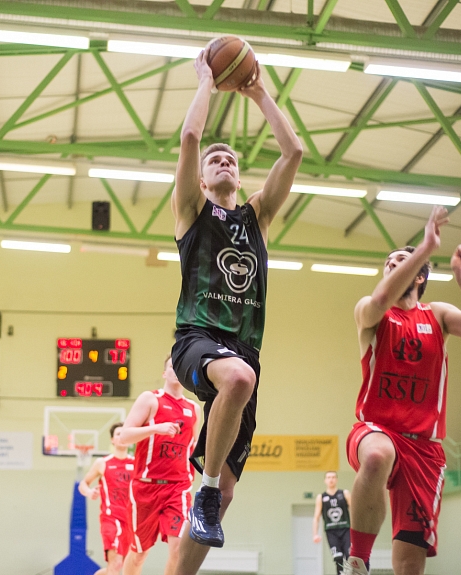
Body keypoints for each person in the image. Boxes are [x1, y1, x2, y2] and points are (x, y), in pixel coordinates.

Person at [170, 46, 302, 574]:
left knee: (221, 502)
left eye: (232, 160)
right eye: (214, 162)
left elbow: (292, 153)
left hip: (243, 353)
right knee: (239, 379)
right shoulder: (191, 211)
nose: (223, 162)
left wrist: (258, 92)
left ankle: (195, 530)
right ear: (202, 181)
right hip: (197, 341)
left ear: (240, 179)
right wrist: (207, 79)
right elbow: (189, 139)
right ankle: (202, 491)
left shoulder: (258, 217)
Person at [344, 206, 461, 575]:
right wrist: (424, 248)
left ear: (421, 277)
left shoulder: (437, 314)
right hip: (375, 429)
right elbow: (379, 301)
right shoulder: (370, 311)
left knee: (410, 564)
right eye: (389, 262)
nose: (393, 264)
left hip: (423, 447)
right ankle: (357, 560)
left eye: (402, 260)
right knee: (377, 456)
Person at [118, 355, 200, 575]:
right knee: (138, 554)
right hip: (145, 487)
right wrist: (156, 428)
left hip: (177, 488)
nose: (176, 370)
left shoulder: (194, 409)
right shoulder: (150, 399)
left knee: (178, 548)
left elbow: (192, 448)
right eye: (172, 367)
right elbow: (124, 436)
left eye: (180, 367)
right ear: (165, 373)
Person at [78, 423, 134, 575]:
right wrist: (89, 492)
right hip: (110, 518)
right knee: (115, 563)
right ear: (112, 440)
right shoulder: (102, 463)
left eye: (125, 434)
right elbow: (83, 484)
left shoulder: (136, 463)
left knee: (118, 567)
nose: (121, 437)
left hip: (130, 520)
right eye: (118, 434)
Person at [313, 471, 351, 575]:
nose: (331, 479)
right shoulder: (321, 497)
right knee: (338, 557)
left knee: (350, 556)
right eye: (329, 477)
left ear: (337, 479)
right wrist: (315, 534)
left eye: (333, 477)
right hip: (331, 531)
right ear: (325, 480)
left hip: (345, 529)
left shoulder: (344, 493)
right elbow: (316, 517)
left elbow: (355, 511)